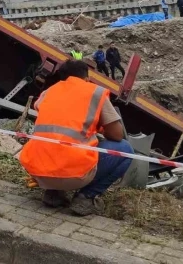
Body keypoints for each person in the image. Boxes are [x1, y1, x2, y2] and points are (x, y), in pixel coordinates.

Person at [19, 60, 133, 216]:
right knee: (125, 150)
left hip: (38, 171)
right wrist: (98, 127)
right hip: (72, 174)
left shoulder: (48, 92)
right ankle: (85, 197)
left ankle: (53, 193)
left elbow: (55, 119)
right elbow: (117, 135)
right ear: (87, 77)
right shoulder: (95, 93)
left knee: (56, 145)